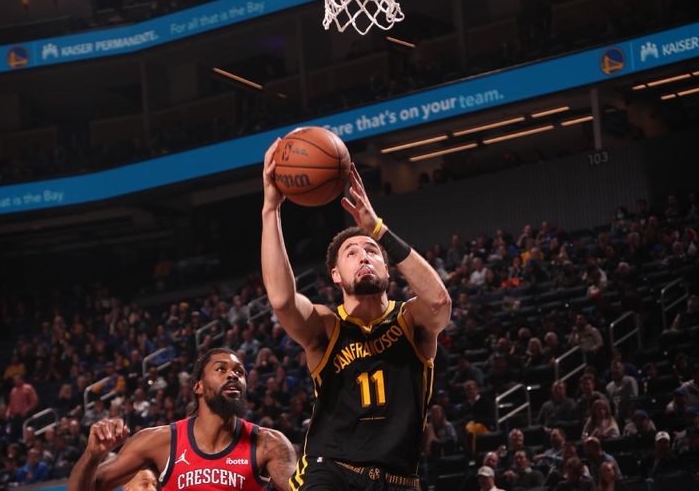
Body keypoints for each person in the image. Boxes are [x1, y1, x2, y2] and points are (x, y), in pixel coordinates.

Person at [261, 144, 452, 491]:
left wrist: (377, 229)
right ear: (336, 274)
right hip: (331, 470)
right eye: (352, 253)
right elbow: (281, 300)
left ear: (388, 268)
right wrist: (270, 209)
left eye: (372, 252)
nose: (364, 256)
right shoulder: (326, 326)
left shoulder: (412, 321)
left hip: (399, 479)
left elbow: (440, 301)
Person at [66, 348, 296, 491]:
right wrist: (92, 455)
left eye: (239, 372)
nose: (233, 375)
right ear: (198, 386)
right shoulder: (158, 441)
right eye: (221, 369)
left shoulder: (269, 443)